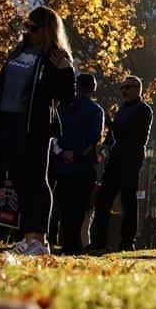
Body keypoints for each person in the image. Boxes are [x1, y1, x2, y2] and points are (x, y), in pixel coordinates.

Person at [0, 6, 76, 256]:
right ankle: (25, 236)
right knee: (18, 181)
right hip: (7, 122)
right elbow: (2, 83)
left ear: (47, 30)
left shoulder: (53, 56)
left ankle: (40, 239)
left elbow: (66, 98)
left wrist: (67, 72)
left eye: (33, 28)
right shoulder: (17, 52)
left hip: (34, 125)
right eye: (27, 27)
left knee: (36, 180)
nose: (28, 32)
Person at [89, 75, 153, 252]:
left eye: (127, 87)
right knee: (103, 200)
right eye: (122, 88)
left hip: (131, 158)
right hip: (116, 157)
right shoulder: (123, 109)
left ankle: (127, 241)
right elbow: (114, 136)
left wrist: (112, 125)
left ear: (136, 88)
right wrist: (105, 147)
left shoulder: (143, 110)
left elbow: (133, 135)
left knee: (128, 200)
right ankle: (98, 241)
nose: (123, 91)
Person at [50, 72, 106, 255]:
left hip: (61, 163)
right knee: (79, 207)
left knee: (63, 205)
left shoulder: (63, 108)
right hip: (82, 164)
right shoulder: (96, 111)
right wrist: (77, 153)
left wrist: (61, 152)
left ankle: (63, 241)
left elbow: (54, 132)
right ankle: (74, 243)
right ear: (93, 89)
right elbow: (93, 138)